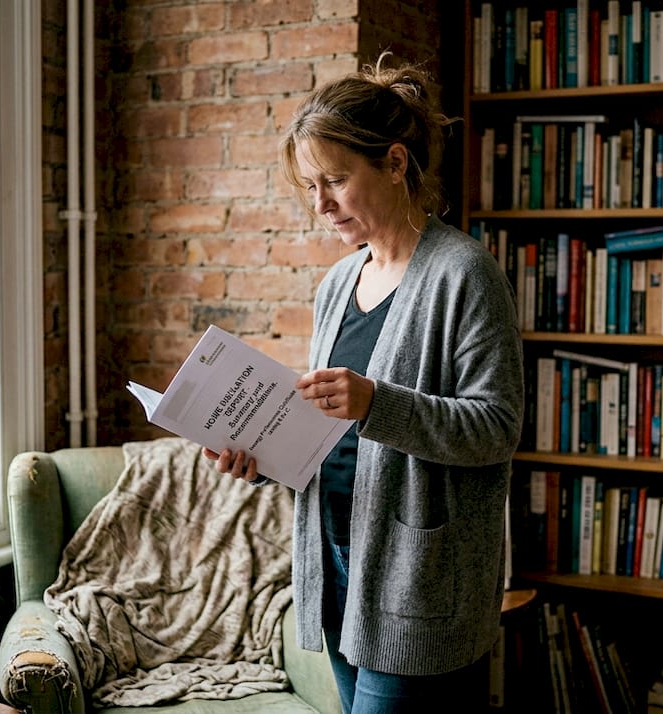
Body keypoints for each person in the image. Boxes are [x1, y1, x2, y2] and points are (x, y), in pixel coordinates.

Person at [206, 54, 524, 714]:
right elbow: (331, 430)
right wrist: (261, 460)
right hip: (332, 562)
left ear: (396, 163)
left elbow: (496, 427)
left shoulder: (464, 273)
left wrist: (378, 402)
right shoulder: (335, 286)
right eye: (310, 187)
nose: (320, 205)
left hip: (418, 580)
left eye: (335, 181)